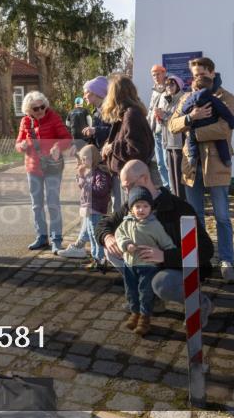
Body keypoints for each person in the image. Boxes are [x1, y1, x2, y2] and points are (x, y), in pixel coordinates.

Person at [96, 160, 214, 322]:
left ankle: (200, 304)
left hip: (177, 268)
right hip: (148, 265)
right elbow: (104, 223)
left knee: (162, 283)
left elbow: (206, 250)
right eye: (124, 188)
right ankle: (153, 300)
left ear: (144, 179)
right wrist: (107, 237)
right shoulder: (133, 204)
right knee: (112, 250)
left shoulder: (179, 208)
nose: (126, 191)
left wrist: (165, 256)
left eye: (128, 186)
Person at [168, 56, 234, 283]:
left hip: (216, 163)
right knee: (194, 216)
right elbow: (172, 125)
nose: (198, 77)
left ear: (212, 72)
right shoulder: (188, 97)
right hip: (192, 163)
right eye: (195, 74)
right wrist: (192, 117)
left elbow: (224, 128)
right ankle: (200, 259)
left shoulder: (226, 97)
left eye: (202, 73)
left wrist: (195, 133)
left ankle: (226, 260)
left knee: (222, 216)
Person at [15, 90, 74, 251]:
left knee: (53, 203)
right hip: (33, 168)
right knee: (37, 205)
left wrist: (57, 146)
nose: (40, 110)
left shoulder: (53, 117)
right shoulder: (25, 122)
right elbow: (18, 143)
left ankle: (56, 239)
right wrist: (22, 146)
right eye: (36, 109)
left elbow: (67, 139)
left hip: (52, 167)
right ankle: (41, 237)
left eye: (42, 107)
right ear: (28, 110)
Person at [115, 186, 176, 336]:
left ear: (150, 208)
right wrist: (126, 244)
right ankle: (134, 313)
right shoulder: (126, 222)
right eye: (137, 206)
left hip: (148, 267)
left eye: (145, 206)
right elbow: (119, 234)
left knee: (145, 292)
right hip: (130, 265)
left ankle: (144, 318)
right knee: (131, 291)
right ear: (131, 208)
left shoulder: (155, 226)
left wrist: (166, 255)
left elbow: (167, 244)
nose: (141, 210)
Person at [101, 75, 156, 217]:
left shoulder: (131, 115)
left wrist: (113, 147)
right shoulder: (128, 114)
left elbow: (137, 150)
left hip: (134, 177)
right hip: (129, 175)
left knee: (134, 217)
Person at [63, 143, 112, 268]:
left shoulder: (100, 172)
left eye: (85, 159)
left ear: (93, 158)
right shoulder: (90, 171)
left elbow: (101, 190)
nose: (83, 162)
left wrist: (84, 180)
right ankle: (96, 258)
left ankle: (100, 259)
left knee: (96, 235)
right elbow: (82, 187)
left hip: (96, 208)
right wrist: (80, 175)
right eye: (82, 159)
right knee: (91, 234)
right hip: (89, 208)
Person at [182, 75, 234, 169]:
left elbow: (184, 109)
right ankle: (226, 159)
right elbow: (224, 111)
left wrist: (188, 114)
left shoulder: (191, 98)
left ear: (195, 88)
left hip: (197, 124)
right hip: (212, 123)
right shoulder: (213, 98)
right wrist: (233, 123)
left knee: (191, 139)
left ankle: (192, 156)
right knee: (221, 140)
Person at [81, 75, 118, 211]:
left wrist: (95, 130)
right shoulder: (96, 111)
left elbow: (115, 132)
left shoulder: (110, 110)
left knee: (116, 197)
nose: (84, 96)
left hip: (111, 158)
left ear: (96, 93)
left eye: (86, 93)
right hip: (102, 159)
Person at [160, 75, 188, 200]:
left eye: (172, 84)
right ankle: (176, 200)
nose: (169, 87)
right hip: (168, 142)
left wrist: (164, 116)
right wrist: (160, 117)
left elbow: (179, 119)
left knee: (179, 175)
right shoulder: (168, 99)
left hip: (178, 142)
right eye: (167, 85)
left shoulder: (182, 98)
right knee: (172, 175)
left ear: (178, 85)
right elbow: (167, 121)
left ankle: (182, 201)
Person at [147, 64, 170, 189]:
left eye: (158, 74)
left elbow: (174, 109)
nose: (156, 77)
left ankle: (173, 190)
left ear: (164, 73)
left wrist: (164, 114)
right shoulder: (155, 90)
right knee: (160, 163)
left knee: (167, 163)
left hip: (166, 131)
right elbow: (151, 110)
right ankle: (166, 188)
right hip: (155, 131)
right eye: (153, 75)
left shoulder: (170, 88)